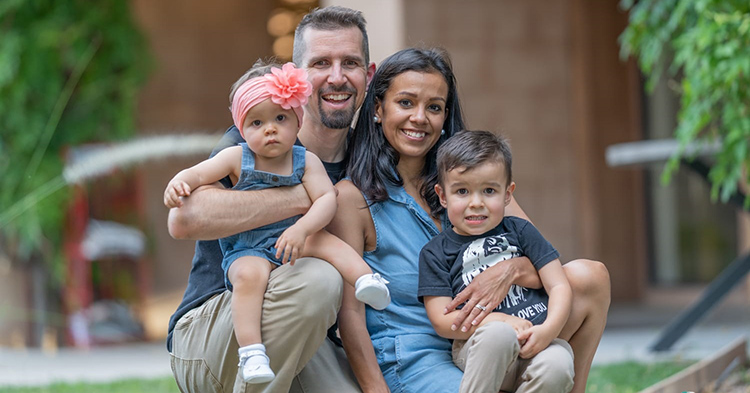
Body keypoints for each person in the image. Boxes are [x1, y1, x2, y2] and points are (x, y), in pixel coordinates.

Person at [328, 47, 610, 393]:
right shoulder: (353, 198)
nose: (420, 117)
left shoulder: (475, 184)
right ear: (377, 108)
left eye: (434, 107)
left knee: (590, 277)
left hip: (497, 335)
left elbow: (544, 261)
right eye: (405, 103)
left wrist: (511, 270)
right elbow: (351, 316)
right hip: (420, 357)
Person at [166, 6, 374, 393]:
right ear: (298, 77)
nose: (336, 76)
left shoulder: (370, 156)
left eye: (350, 62)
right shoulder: (254, 141)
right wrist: (305, 199)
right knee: (319, 279)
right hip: (216, 328)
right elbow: (183, 219)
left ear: (369, 74)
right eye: (321, 63)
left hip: (310, 337)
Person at [419, 130, 574, 393]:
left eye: (489, 190)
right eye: (462, 191)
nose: (476, 203)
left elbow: (559, 285)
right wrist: (501, 320)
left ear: (507, 194)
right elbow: (442, 321)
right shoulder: (435, 252)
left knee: (558, 362)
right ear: (442, 196)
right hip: (480, 346)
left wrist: (548, 330)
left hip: (535, 342)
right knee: (498, 336)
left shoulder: (521, 231)